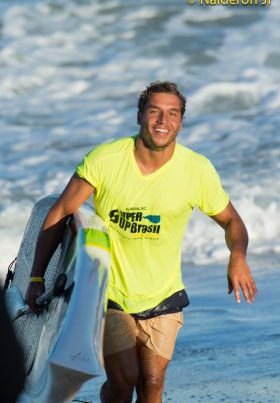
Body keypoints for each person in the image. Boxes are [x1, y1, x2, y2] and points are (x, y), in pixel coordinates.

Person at [25, 81, 257, 403]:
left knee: (151, 383)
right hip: (110, 292)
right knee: (123, 382)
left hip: (163, 293)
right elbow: (59, 212)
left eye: (172, 114)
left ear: (180, 121)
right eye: (155, 112)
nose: (163, 121)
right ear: (140, 116)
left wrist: (238, 256)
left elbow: (232, 221)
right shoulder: (105, 160)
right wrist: (37, 277)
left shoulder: (196, 170)